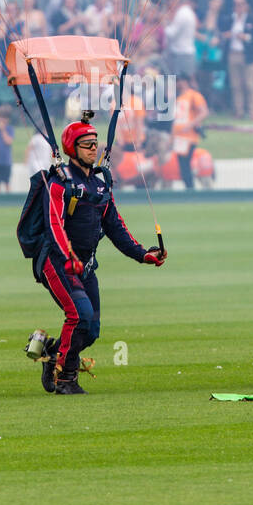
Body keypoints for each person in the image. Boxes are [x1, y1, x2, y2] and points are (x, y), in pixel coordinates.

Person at [32, 118, 166, 395]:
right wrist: (67, 254)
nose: (94, 149)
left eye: (96, 144)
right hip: (57, 262)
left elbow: (115, 227)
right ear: (73, 148)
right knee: (79, 316)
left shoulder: (101, 185)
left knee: (91, 330)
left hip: (85, 266)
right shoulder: (59, 183)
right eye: (87, 145)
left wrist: (143, 255)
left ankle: (53, 352)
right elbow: (54, 224)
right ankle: (65, 378)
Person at [221, 0, 253, 120]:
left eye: (241, 4)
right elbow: (222, 33)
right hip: (233, 53)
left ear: (246, 6)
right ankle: (239, 111)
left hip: (247, 55)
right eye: (236, 4)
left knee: (249, 84)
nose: (238, 7)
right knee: (236, 85)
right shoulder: (229, 19)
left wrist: (246, 37)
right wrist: (226, 36)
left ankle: (252, 111)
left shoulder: (252, 20)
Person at [171, 75, 208, 189]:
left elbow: (203, 112)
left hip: (189, 136)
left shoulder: (194, 96)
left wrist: (190, 125)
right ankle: (189, 188)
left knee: (185, 164)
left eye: (180, 81)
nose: (178, 84)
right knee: (182, 166)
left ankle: (190, 189)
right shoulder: (178, 98)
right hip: (179, 137)